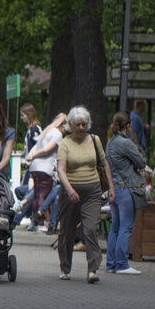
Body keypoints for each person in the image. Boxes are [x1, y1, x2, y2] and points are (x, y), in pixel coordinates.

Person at [55, 106, 114, 284]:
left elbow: (105, 164)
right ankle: (65, 267)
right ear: (70, 125)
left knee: (90, 229)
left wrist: (111, 188)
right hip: (70, 192)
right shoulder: (65, 143)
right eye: (77, 124)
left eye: (84, 124)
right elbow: (61, 169)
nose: (81, 128)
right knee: (67, 231)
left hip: (92, 191)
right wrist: (70, 189)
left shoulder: (95, 140)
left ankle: (92, 270)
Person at [105, 111, 147, 275]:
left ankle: (111, 264)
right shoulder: (126, 143)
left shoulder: (110, 143)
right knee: (126, 227)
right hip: (127, 189)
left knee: (114, 228)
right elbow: (141, 162)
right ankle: (122, 264)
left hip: (114, 189)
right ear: (127, 125)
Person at [25, 112, 65, 229]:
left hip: (35, 167)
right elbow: (47, 150)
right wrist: (35, 155)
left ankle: (34, 222)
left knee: (37, 195)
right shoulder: (57, 134)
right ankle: (41, 223)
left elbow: (35, 146)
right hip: (45, 167)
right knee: (43, 195)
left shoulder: (47, 130)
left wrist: (32, 157)